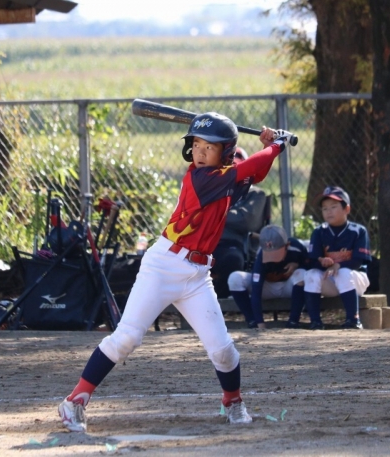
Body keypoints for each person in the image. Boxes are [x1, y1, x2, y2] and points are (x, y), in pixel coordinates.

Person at [58, 112, 288, 432]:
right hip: (164, 267)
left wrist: (269, 147)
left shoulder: (224, 176)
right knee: (127, 337)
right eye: (196, 145)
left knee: (223, 350)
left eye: (209, 147)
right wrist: (277, 146)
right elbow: (249, 168)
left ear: (225, 152)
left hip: (197, 276)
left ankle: (233, 402)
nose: (200, 152)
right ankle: (74, 401)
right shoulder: (202, 178)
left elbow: (255, 173)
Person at [299, 186, 371, 330]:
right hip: (331, 281)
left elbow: (358, 261)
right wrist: (322, 262)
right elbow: (313, 261)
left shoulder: (358, 231)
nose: (328, 211)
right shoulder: (319, 232)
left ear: (346, 209)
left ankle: (353, 320)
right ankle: (315, 322)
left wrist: (337, 265)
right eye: (324, 208)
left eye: (333, 207)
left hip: (355, 280)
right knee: (311, 274)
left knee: (343, 273)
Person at [227, 224, 312, 329]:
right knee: (235, 278)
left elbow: (310, 267)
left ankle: (293, 321)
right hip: (267, 288)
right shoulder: (260, 255)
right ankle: (252, 321)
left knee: (302, 274)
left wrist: (297, 265)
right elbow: (256, 290)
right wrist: (260, 322)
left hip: (288, 287)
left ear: (287, 245)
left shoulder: (297, 247)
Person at [211, 147, 270, 298]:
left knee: (232, 260)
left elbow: (247, 220)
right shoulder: (214, 191)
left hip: (234, 244)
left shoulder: (255, 194)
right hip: (207, 244)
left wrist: (216, 212)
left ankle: (223, 302)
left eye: (238, 168)